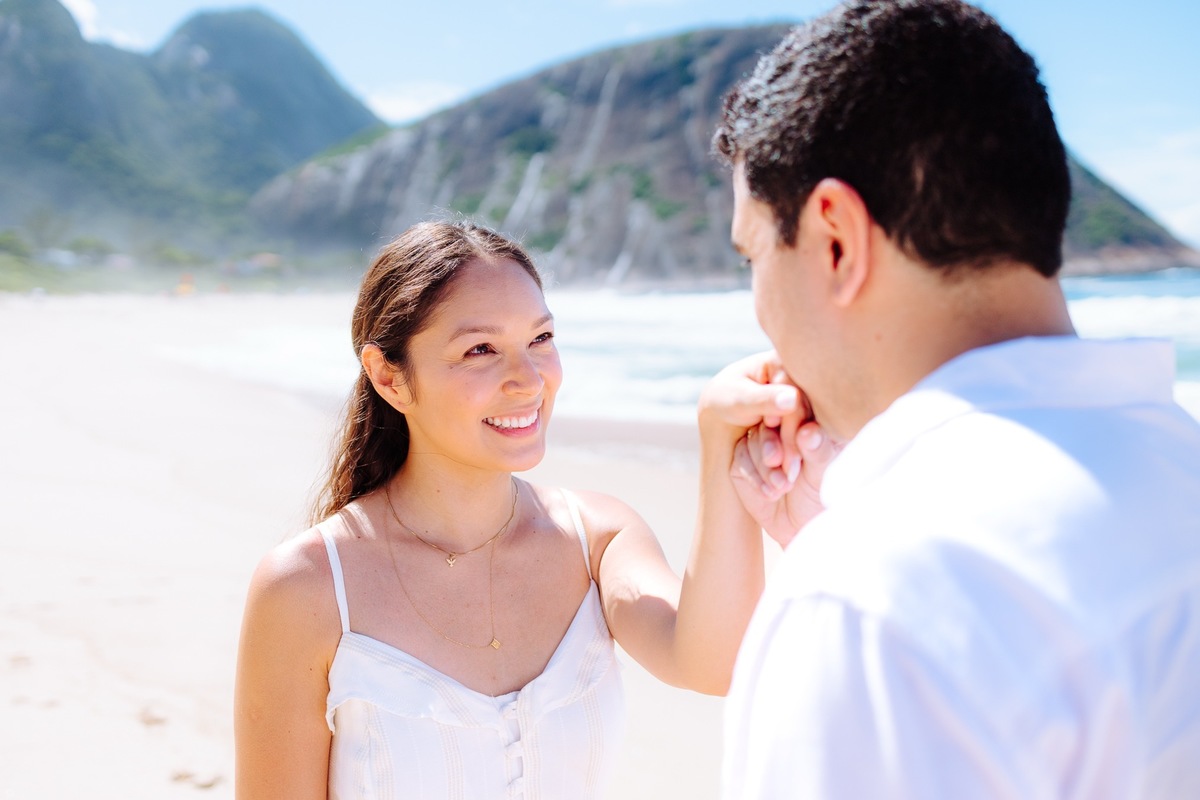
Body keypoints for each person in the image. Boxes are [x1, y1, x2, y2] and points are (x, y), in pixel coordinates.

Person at [701, 0, 1200, 797]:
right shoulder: (1177, 457)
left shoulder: (866, 603)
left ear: (834, 238)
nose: (758, 304)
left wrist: (854, 559)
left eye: (753, 255)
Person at [232, 220, 788, 799]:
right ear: (389, 378)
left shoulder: (597, 540)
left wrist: (727, 447)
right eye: (481, 349)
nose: (527, 380)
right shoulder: (308, 586)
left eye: (540, 340)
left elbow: (712, 663)